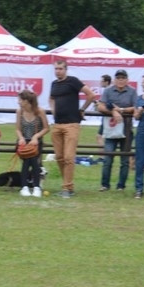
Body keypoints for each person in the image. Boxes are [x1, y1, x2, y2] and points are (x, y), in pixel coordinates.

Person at [48, 59, 98, 197]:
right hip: (57, 124)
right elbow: (51, 98)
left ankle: (66, 188)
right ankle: (68, 186)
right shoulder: (53, 84)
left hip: (72, 124)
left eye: (60, 69)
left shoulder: (73, 81)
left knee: (69, 157)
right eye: (56, 69)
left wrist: (82, 109)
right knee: (59, 157)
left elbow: (91, 95)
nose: (58, 71)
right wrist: (53, 110)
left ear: (66, 69)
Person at [98, 69, 138, 191]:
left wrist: (121, 110)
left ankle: (121, 185)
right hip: (111, 128)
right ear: (114, 80)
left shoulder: (132, 92)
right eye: (118, 78)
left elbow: (136, 107)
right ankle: (105, 184)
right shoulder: (108, 91)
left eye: (123, 78)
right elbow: (100, 106)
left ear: (127, 80)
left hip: (126, 129)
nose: (120, 80)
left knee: (125, 160)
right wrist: (113, 111)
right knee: (108, 158)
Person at [14, 89, 49, 197]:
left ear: (26, 101)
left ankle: (36, 187)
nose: (18, 102)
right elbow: (18, 129)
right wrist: (21, 138)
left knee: (33, 158)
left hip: (36, 141)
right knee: (27, 159)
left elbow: (46, 128)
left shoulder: (40, 111)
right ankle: (25, 187)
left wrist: (36, 137)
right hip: (23, 141)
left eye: (20, 100)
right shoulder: (19, 112)